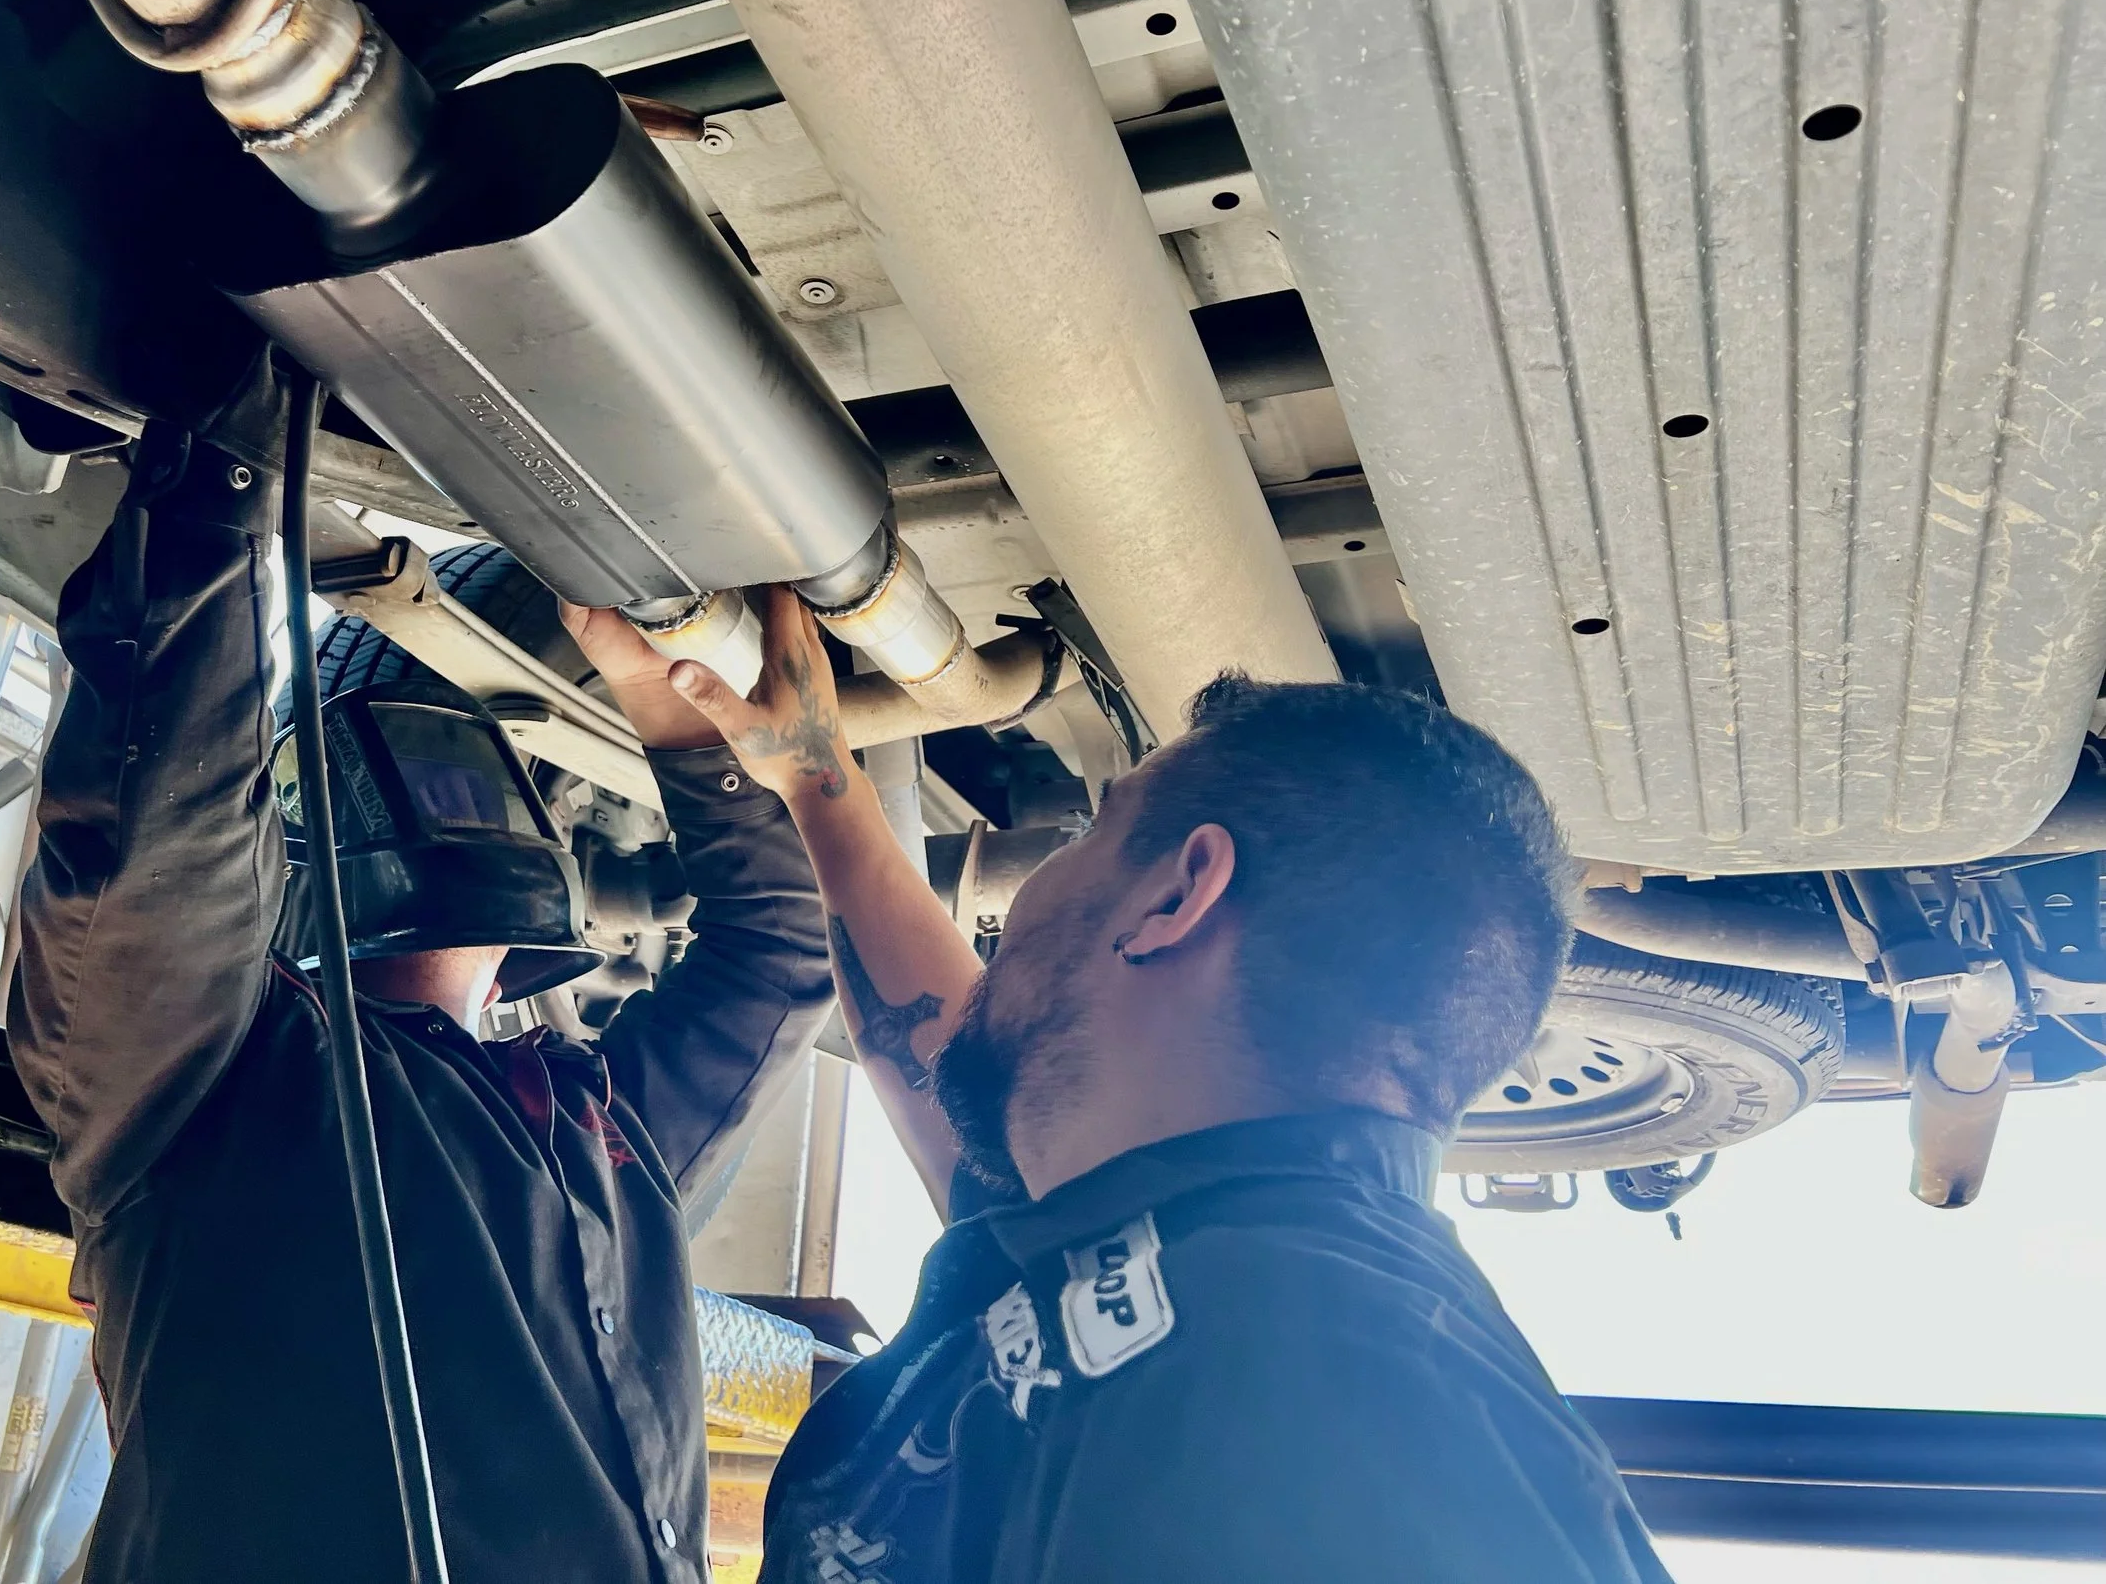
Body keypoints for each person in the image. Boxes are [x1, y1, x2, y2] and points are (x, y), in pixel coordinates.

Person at [647, 586, 1672, 1583]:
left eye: (1089, 832)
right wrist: (819, 785)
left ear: (1179, 894)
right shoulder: (1195, 1239)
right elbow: (946, 1080)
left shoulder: (1332, 1400)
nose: (1039, 887)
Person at [11, 366, 835, 1584]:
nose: (454, 814)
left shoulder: (586, 1120)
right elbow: (149, 854)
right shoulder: (220, 1080)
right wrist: (689, 724)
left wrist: (231, 427)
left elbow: (152, 828)